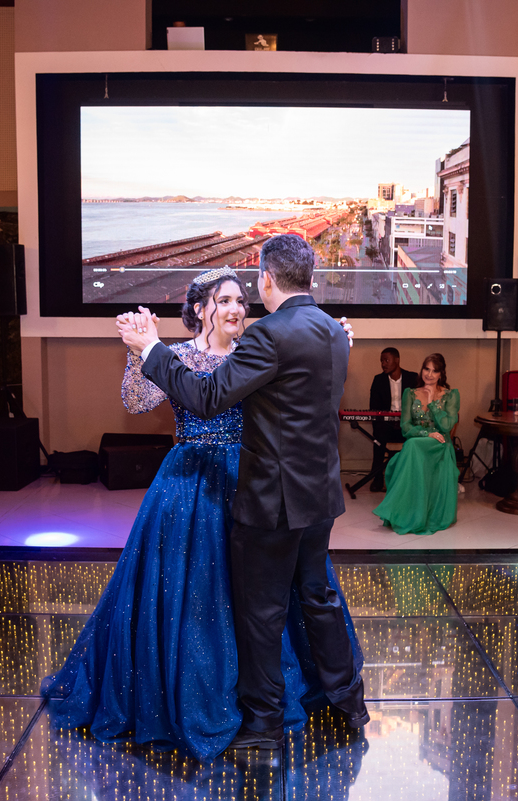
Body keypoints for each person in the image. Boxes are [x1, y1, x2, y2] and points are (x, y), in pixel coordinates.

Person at [45, 266, 362, 761]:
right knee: (193, 594)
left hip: (255, 480)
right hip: (191, 483)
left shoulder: (258, 348)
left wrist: (329, 344)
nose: (237, 309)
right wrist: (139, 352)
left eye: (240, 300)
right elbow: (136, 401)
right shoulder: (177, 355)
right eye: (225, 300)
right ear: (200, 309)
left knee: (267, 597)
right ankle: (204, 696)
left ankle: (271, 703)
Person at [120, 235, 369, 751]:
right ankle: (349, 702)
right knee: (318, 598)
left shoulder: (268, 336)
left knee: (263, 613)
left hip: (272, 499)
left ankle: (263, 725)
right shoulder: (333, 331)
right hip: (319, 494)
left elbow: (207, 395)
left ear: (267, 279)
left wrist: (150, 349)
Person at [373, 354, 460, 535]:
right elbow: (406, 427)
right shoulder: (410, 393)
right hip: (418, 441)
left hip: (440, 444)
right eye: (426, 369)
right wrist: (427, 433)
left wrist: (432, 402)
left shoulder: (451, 395)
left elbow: (446, 426)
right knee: (412, 445)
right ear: (422, 370)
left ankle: (402, 511)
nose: (429, 374)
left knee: (411, 447)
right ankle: (406, 512)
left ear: (441, 374)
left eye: (435, 371)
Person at [368, 347, 418, 492]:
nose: (383, 364)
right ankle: (378, 479)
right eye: (381, 361)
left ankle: (412, 479)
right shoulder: (378, 380)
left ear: (397, 360)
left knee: (416, 438)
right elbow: (374, 408)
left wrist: (405, 421)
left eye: (386, 360)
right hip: (386, 425)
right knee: (378, 438)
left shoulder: (412, 378)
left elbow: (418, 405)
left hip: (407, 424)